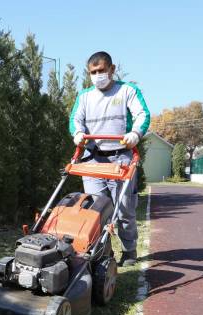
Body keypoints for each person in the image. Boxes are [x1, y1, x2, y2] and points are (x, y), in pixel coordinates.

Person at [69, 51, 150, 267]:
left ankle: (129, 250)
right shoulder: (84, 97)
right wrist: (77, 133)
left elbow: (142, 115)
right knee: (96, 211)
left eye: (101, 71)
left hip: (121, 160)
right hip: (93, 161)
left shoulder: (127, 91)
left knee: (124, 210)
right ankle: (103, 252)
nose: (98, 75)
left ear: (112, 69)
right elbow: (75, 119)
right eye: (93, 72)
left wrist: (135, 134)